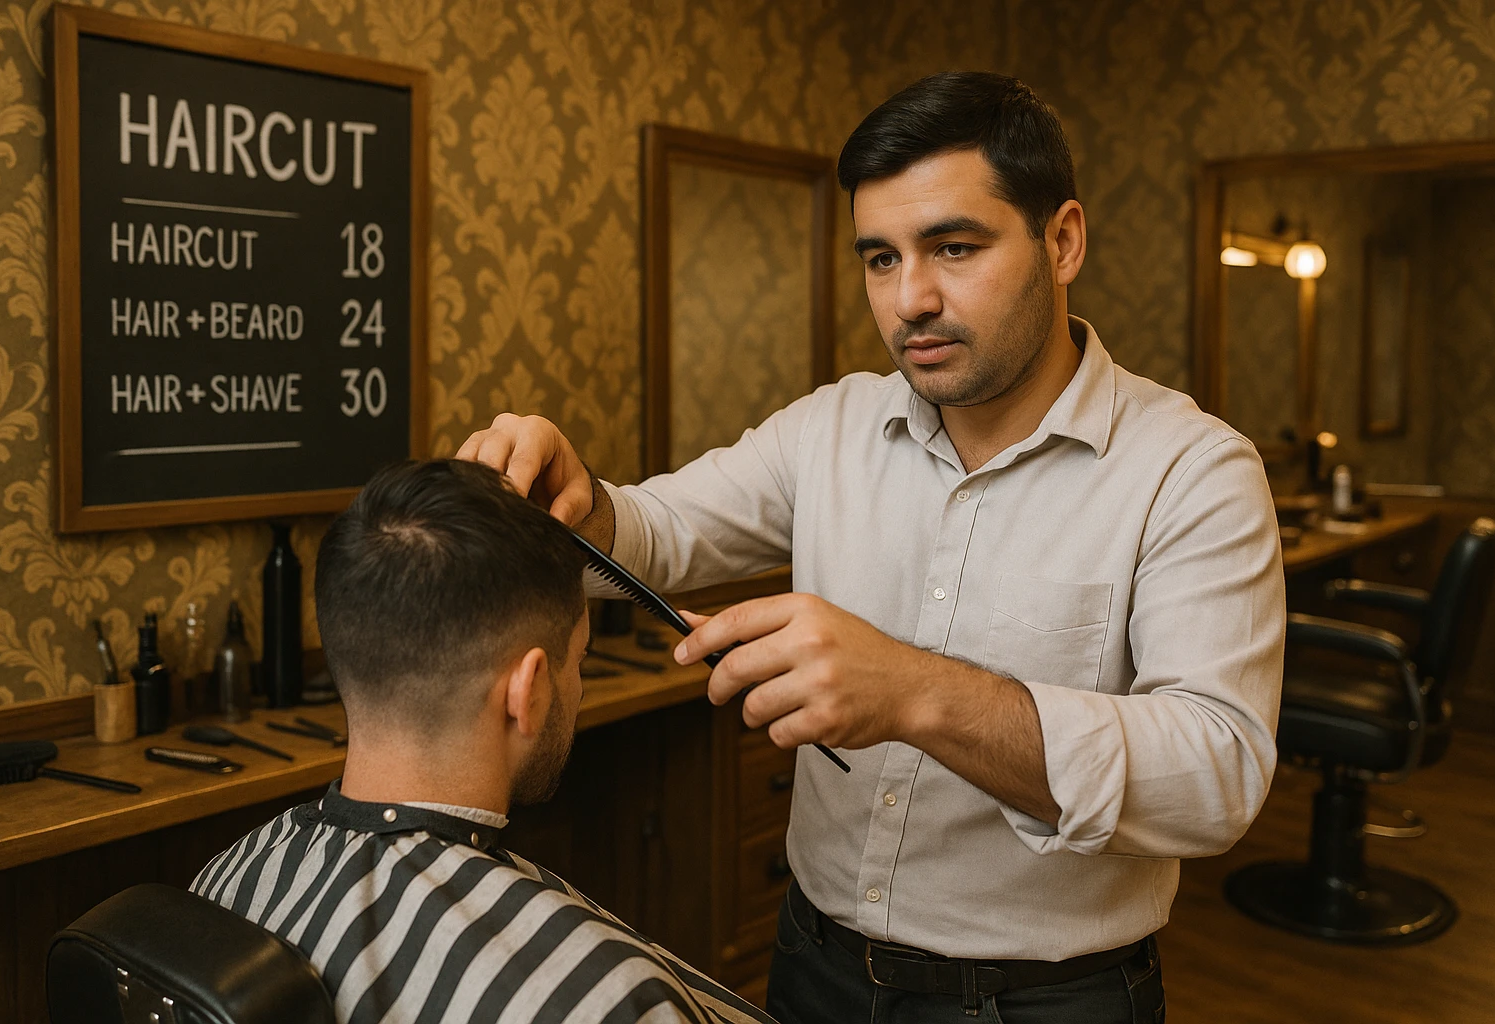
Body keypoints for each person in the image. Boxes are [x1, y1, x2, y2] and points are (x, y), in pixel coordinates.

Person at [457, 71, 1285, 1024]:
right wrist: (582, 499)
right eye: (880, 259)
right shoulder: (831, 427)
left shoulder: (1193, 469)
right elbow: (659, 531)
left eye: (954, 248)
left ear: (1062, 241)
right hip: (816, 963)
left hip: (1048, 1001)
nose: (911, 300)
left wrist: (911, 689)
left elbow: (1216, 774)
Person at [190, 459, 775, 1024]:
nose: (580, 688)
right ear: (530, 689)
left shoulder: (223, 881)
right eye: (580, 661)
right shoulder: (604, 1000)